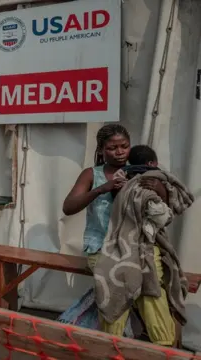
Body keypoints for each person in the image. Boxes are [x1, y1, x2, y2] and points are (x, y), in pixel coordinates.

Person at [62, 124, 172, 343]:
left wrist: (158, 188)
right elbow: (69, 206)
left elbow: (166, 210)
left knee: (152, 294)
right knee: (114, 294)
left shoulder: (141, 171)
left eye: (124, 146)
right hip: (103, 247)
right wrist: (103, 188)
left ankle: (165, 347)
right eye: (113, 148)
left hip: (140, 246)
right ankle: (112, 344)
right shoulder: (92, 174)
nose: (120, 152)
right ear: (102, 150)